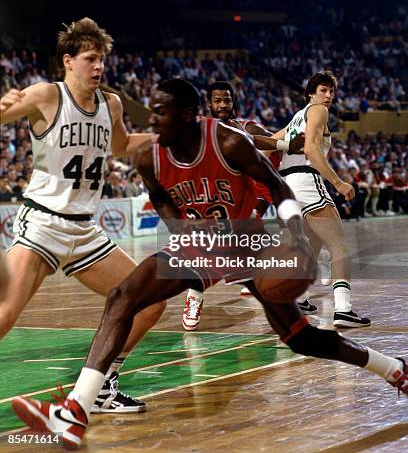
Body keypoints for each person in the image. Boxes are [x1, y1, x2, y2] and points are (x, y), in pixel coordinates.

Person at [12, 79, 406, 450]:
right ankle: (77, 409)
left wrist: (298, 236)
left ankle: (392, 368)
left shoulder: (229, 142)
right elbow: (160, 197)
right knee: (124, 295)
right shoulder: (149, 156)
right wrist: (181, 230)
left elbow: (277, 184)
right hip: (201, 244)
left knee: (300, 338)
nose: (151, 119)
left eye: (161, 111)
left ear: (187, 115)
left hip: (246, 244)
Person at [0, 18, 166, 413]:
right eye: (91, 59)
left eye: (102, 60)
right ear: (68, 61)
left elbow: (123, 146)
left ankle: (102, 384)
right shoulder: (45, 96)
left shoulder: (111, 103)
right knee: (5, 314)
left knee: (149, 303)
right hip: (42, 223)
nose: (99, 67)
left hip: (85, 232)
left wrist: (170, 135)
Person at [182, 81, 304, 330]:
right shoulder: (201, 130)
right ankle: (194, 299)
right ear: (209, 104)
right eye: (218, 101)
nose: (223, 105)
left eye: (227, 100)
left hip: (242, 203)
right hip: (210, 202)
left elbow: (261, 139)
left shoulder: (244, 127)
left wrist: (286, 145)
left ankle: (282, 304)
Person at [275, 71, 370, 327]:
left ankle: (299, 297)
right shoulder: (318, 111)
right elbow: (310, 149)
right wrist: (338, 182)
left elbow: (267, 144)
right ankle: (343, 309)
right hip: (306, 180)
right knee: (339, 245)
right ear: (310, 93)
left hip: (287, 186)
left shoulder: (296, 118)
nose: (328, 96)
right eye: (323, 90)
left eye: (331, 91)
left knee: (314, 242)